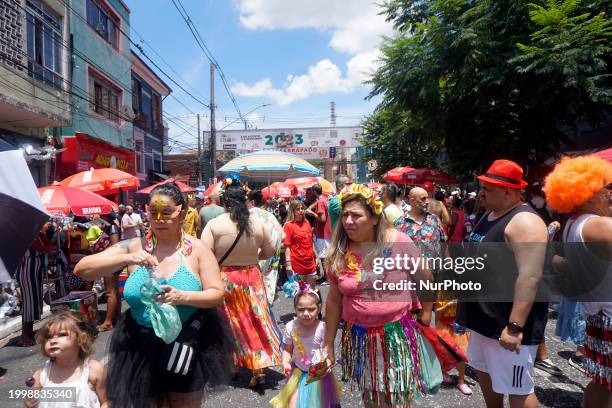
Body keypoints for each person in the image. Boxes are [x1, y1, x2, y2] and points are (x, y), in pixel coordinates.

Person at [75, 182, 232, 407]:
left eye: (166, 212)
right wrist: (126, 258)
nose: (159, 219)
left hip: (184, 342)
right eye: (153, 212)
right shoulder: (133, 246)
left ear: (182, 213)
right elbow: (82, 269)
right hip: (139, 344)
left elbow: (217, 294)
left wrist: (182, 296)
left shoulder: (197, 250)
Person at [323, 183, 436, 407]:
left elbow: (425, 278)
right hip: (359, 336)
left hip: (395, 334)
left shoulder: (399, 241)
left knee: (396, 397)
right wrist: (328, 344)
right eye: (344, 215)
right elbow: (334, 301)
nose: (347, 221)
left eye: (356, 215)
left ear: (374, 218)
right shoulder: (338, 251)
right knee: (371, 396)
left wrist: (426, 313)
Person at [456, 159, 549, 408]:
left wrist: (515, 326)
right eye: (483, 186)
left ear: (509, 191)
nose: (482, 192)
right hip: (483, 320)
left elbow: (530, 276)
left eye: (488, 188)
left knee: (518, 390)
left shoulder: (525, 222)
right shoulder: (491, 213)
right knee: (487, 379)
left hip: (506, 324)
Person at [543, 155, 612, 408]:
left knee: (601, 382)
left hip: (598, 314)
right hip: (607, 315)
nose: (609, 193)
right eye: (607, 186)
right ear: (589, 192)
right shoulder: (600, 225)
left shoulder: (574, 223)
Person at [200, 177, 281, 389]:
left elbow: (203, 254)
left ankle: (232, 367)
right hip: (252, 276)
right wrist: (254, 257)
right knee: (255, 320)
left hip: (226, 278)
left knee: (231, 323)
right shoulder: (258, 223)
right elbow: (270, 250)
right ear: (245, 200)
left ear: (225, 201)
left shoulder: (215, 225)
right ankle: (258, 366)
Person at [270, 283, 340, 408]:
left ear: (318, 309)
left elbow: (329, 354)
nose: (306, 313)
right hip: (298, 373)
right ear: (295, 308)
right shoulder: (290, 326)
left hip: (319, 376)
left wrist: (328, 364)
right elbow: (287, 350)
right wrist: (285, 363)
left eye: (311, 309)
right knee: (294, 404)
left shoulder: (323, 328)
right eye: (301, 310)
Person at [27, 311, 106, 407]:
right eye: (49, 337)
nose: (53, 341)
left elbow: (106, 401)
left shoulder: (93, 370)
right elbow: (29, 404)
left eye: (62, 335)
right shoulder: (41, 375)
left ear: (80, 339)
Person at [16, 224, 55, 347]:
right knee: (28, 302)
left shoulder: (37, 234)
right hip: (26, 270)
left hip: (35, 270)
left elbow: (47, 245)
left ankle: (30, 332)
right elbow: (39, 247)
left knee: (34, 301)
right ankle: (24, 336)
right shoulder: (25, 233)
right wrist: (46, 249)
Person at [247, 189, 283, 305]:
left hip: (254, 254)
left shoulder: (248, 214)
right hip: (271, 254)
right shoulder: (270, 215)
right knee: (268, 283)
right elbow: (282, 234)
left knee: (254, 289)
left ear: (252, 202)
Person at [434, 293, 472, 395]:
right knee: (443, 353)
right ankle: (442, 372)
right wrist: (449, 305)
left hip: (458, 327)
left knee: (461, 354)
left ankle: (461, 381)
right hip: (444, 326)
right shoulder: (441, 291)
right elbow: (436, 312)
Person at [284, 200, 318, 288]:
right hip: (297, 266)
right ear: (293, 211)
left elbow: (311, 242)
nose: (301, 211)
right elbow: (287, 246)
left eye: (302, 208)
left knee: (311, 294)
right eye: (298, 209)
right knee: (300, 295)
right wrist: (288, 264)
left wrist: (316, 256)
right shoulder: (288, 225)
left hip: (310, 265)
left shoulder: (307, 223)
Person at [97, 213, 121, 332]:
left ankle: (108, 322)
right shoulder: (110, 227)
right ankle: (117, 316)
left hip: (111, 262)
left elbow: (115, 245)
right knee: (114, 291)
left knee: (110, 292)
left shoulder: (112, 227)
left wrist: (104, 253)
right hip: (111, 261)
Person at [306, 184, 331, 262]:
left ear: (314, 192)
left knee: (323, 257)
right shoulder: (325, 199)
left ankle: (325, 274)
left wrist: (312, 213)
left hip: (322, 234)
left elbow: (322, 219)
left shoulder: (320, 202)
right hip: (327, 233)